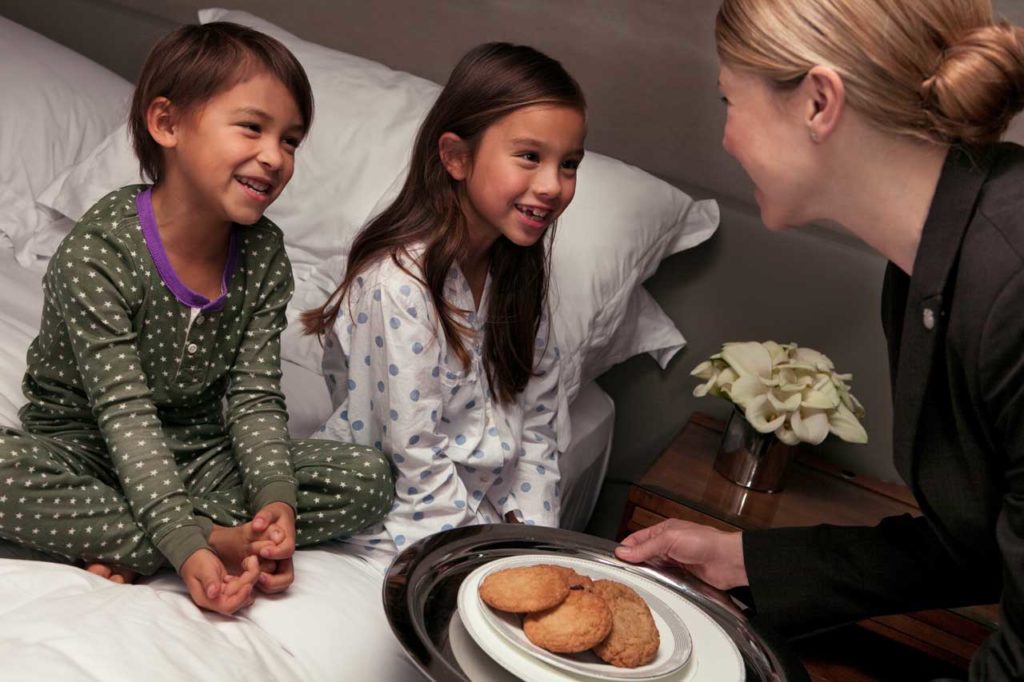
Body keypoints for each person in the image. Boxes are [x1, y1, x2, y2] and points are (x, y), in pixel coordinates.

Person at [616, 1, 1024, 679]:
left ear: (817, 102)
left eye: (730, 100)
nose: (726, 136)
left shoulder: (1010, 279)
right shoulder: (925, 269)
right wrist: (741, 558)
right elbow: (973, 546)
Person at [0, 22, 393, 616]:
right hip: (87, 447)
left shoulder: (264, 257)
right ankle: (205, 538)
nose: (274, 157)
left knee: (367, 477)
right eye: (253, 127)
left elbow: (255, 398)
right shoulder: (98, 253)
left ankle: (121, 536)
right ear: (168, 124)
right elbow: (123, 413)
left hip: (201, 453)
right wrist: (190, 547)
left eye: (290, 140)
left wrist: (276, 507)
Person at [303, 42, 586, 565]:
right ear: (456, 157)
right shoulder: (398, 286)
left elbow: (539, 437)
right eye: (530, 156)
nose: (552, 185)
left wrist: (534, 549)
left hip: (486, 522)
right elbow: (415, 463)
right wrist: (480, 570)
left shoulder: (518, 281)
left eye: (568, 164)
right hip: (398, 522)